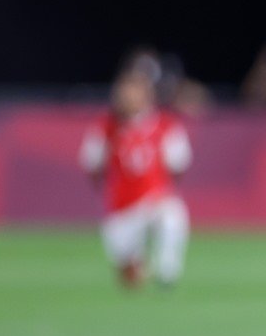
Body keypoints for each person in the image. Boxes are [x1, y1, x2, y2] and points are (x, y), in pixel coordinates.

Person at [79, 68, 192, 288]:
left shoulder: (165, 125)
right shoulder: (105, 126)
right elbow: (92, 164)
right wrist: (107, 191)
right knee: (130, 278)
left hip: (154, 198)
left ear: (147, 95)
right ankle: (139, 260)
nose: (127, 98)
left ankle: (168, 270)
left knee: (173, 215)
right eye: (123, 93)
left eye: (133, 92)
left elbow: (179, 164)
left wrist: (162, 189)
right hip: (122, 207)